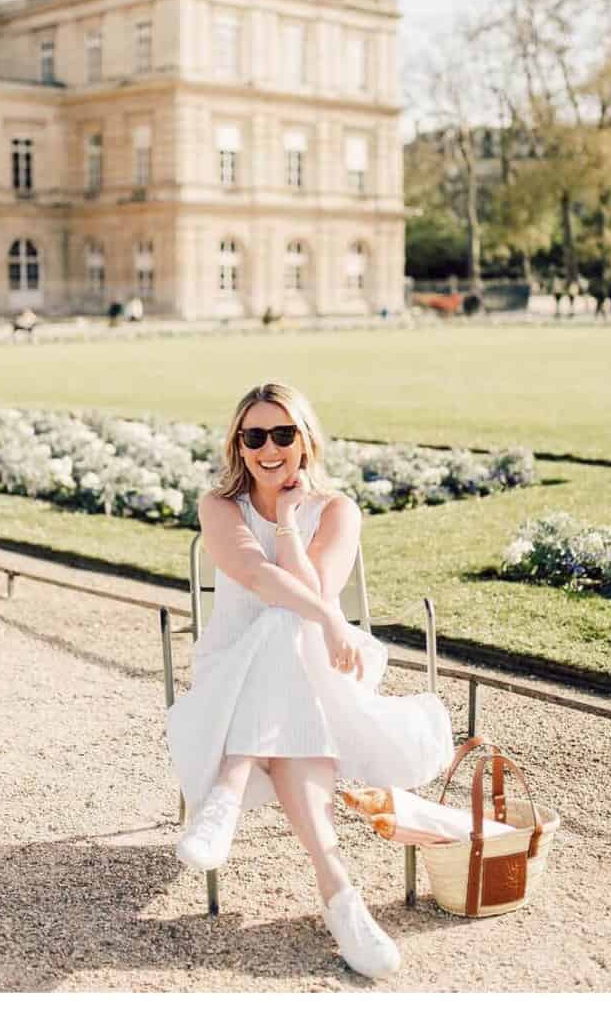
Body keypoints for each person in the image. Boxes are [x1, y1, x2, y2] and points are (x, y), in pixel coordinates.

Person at [166, 383, 454, 979]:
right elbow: (261, 577)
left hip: (326, 673)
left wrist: (292, 522)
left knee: (285, 630)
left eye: (282, 434)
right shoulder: (219, 507)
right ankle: (339, 896)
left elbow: (316, 591)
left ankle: (229, 785)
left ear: (304, 440)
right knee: (279, 626)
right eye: (254, 437)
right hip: (235, 673)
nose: (268, 448)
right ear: (238, 447)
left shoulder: (337, 510)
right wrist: (329, 620)